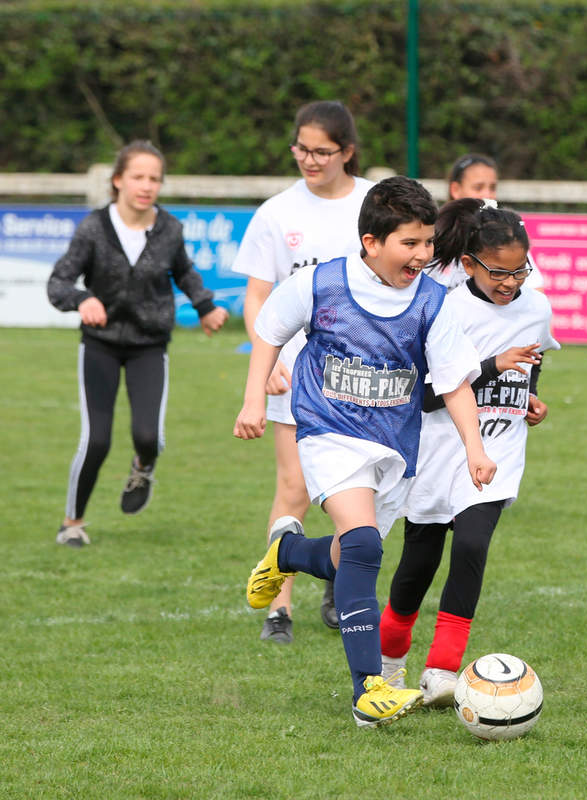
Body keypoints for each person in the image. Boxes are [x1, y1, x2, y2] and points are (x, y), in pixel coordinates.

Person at [234, 176, 496, 729]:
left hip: (394, 447)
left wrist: (475, 446)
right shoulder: (322, 284)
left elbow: (453, 383)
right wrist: (254, 398)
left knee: (348, 553)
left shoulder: (431, 302)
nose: (423, 255)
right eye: (410, 243)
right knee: (363, 549)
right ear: (372, 241)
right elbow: (269, 330)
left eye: (428, 243)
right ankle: (367, 691)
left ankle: (286, 555)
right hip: (328, 431)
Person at [378, 198, 560, 707]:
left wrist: (530, 397)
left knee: (473, 548)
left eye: (519, 271)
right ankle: (390, 664)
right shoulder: (445, 308)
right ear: (468, 264)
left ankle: (441, 671)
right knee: (417, 566)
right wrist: (494, 365)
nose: (511, 283)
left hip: (497, 452)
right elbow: (430, 395)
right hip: (439, 451)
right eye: (498, 272)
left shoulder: (537, 306)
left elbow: (533, 359)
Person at [232, 100, 374, 644]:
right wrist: (264, 363)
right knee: (293, 486)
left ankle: (341, 580)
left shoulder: (370, 203)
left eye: (322, 151)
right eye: (301, 149)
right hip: (294, 372)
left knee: (358, 487)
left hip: (361, 374)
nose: (309, 160)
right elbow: (258, 296)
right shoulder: (276, 213)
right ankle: (280, 607)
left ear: (348, 152)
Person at [48, 140, 228, 547]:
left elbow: (185, 273)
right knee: (96, 439)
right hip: (100, 344)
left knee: (149, 437)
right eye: (138, 177)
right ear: (118, 181)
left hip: (150, 344)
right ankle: (72, 523)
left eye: (154, 178)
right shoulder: (94, 227)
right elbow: (58, 282)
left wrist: (205, 307)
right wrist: (82, 299)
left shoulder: (169, 229)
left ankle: (141, 468)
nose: (147, 186)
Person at [430, 154, 545, 291]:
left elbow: (536, 291)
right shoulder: (432, 234)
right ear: (455, 189)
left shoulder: (506, 233)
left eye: (492, 188)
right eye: (478, 188)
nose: (488, 195)